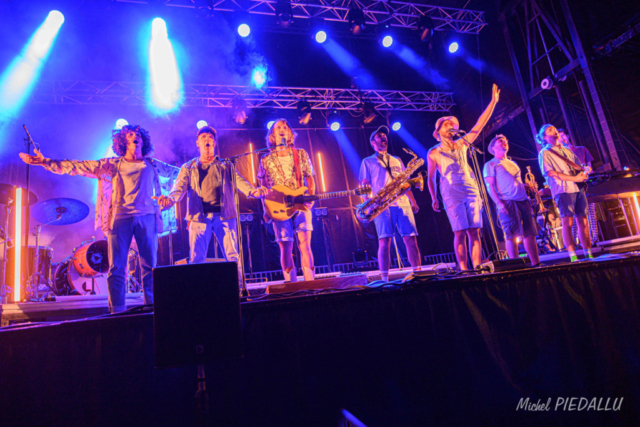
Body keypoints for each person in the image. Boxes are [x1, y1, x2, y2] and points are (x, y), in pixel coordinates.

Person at [19, 125, 179, 312]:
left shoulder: (152, 164)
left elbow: (181, 176)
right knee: (117, 268)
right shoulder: (112, 164)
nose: (135, 137)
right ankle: (117, 311)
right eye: (130, 134)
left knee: (150, 267)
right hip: (119, 219)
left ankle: (152, 310)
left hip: (147, 218)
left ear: (143, 141)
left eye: (138, 135)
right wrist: (46, 162)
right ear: (123, 141)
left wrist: (172, 196)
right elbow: (79, 166)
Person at [155, 126, 268, 276]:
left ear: (214, 143)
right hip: (199, 219)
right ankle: (199, 295)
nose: (207, 139)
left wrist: (253, 191)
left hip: (225, 217)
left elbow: (239, 181)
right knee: (197, 259)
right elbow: (179, 188)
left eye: (210, 137)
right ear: (197, 143)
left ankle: (239, 292)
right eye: (203, 137)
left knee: (233, 257)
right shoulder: (189, 167)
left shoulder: (226, 165)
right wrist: (169, 200)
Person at [427, 83, 501, 270]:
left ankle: (477, 267)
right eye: (446, 124)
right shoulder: (434, 152)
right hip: (451, 191)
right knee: (459, 232)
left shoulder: (462, 143)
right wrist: (434, 197)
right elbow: (430, 177)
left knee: (474, 231)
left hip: (470, 188)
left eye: (452, 124)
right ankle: (463, 269)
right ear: (439, 131)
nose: (450, 126)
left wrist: (493, 102)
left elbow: (480, 124)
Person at [257, 119, 316, 282]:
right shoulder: (265, 159)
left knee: (305, 244)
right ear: (272, 135)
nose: (282, 129)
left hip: (301, 204)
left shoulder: (301, 154)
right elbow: (263, 186)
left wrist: (311, 198)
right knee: (285, 247)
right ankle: (291, 285)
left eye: (285, 127)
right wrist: (265, 209)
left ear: (290, 133)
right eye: (278, 128)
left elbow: (310, 178)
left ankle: (310, 282)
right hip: (277, 207)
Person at [359, 126, 421, 282]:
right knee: (384, 241)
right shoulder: (367, 161)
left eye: (384, 134)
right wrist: (369, 204)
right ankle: (384, 279)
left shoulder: (397, 160)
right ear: (373, 142)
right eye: (379, 135)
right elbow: (364, 184)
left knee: (411, 239)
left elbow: (404, 182)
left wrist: (412, 201)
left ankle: (418, 273)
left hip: (402, 202)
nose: (383, 136)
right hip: (382, 204)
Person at [537, 124, 593, 262]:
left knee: (583, 221)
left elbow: (580, 167)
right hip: (562, 189)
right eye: (550, 130)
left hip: (578, 187)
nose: (554, 131)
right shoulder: (545, 153)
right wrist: (574, 178)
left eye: (555, 129)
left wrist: (585, 171)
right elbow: (550, 173)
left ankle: (588, 253)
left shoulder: (568, 151)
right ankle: (573, 256)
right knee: (567, 222)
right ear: (544, 137)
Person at [483, 134, 540, 266]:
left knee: (529, 233)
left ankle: (536, 263)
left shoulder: (512, 163)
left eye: (505, 141)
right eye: (500, 141)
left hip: (523, 200)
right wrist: (498, 203)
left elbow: (515, 181)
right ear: (493, 147)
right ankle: (516, 266)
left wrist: (527, 186)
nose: (504, 143)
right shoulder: (491, 164)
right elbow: (489, 186)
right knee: (512, 235)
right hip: (507, 201)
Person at [558, 128, 598, 244]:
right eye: (559, 137)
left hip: (585, 185)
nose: (562, 138)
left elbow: (590, 167)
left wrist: (587, 171)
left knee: (590, 212)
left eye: (563, 135)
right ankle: (575, 241)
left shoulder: (581, 149)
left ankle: (594, 238)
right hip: (571, 186)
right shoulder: (561, 154)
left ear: (568, 136)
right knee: (574, 215)